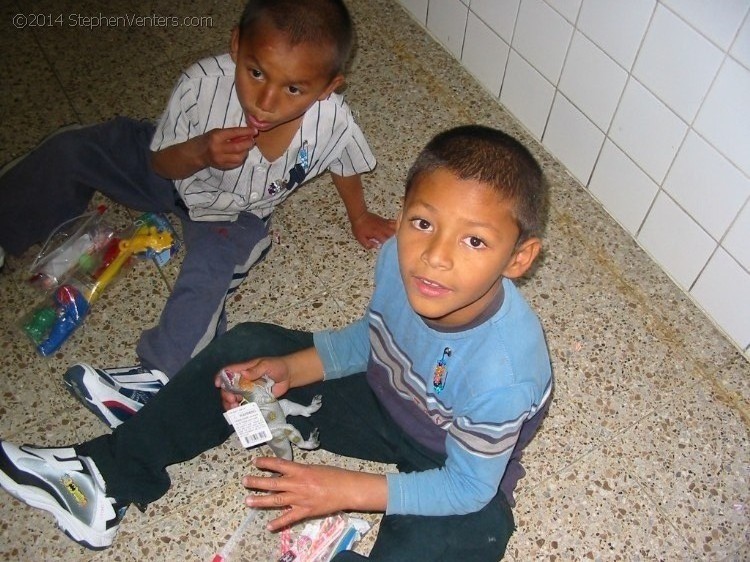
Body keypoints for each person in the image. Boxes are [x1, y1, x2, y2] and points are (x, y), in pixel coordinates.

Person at [0, 125, 553, 560]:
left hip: (457, 461)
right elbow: (376, 341)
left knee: (476, 531)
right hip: (386, 400)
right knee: (248, 350)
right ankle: (106, 477)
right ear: (403, 213)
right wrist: (293, 366)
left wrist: (345, 489)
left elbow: (466, 488)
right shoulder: (397, 261)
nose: (435, 256)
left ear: (520, 258)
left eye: (475, 240)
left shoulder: (503, 373)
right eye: (423, 223)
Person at [0, 0, 395, 428]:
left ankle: (155, 379)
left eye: (293, 89)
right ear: (236, 44)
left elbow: (345, 162)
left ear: (328, 88)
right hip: (170, 168)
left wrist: (360, 216)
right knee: (74, 149)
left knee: (210, 274)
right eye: (256, 72)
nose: (264, 102)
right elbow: (160, 163)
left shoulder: (332, 121)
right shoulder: (201, 83)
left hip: (233, 213)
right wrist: (201, 151)